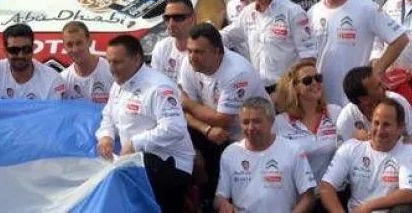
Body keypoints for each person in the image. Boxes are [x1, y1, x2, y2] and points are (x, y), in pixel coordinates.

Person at [97, 34, 195, 213]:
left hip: (169, 164)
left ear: (136, 59)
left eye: (117, 62)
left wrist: (135, 143)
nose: (112, 68)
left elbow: (175, 127)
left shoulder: (158, 87)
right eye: (109, 61)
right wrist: (106, 137)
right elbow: (108, 116)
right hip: (137, 163)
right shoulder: (119, 83)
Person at [178, 23, 267, 208]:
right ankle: (203, 200)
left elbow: (222, 119)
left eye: (199, 52)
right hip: (211, 130)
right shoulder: (189, 63)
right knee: (186, 149)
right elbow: (184, 111)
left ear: (217, 52)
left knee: (241, 190)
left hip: (245, 134)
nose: (192, 57)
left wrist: (188, 104)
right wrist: (206, 128)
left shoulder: (237, 72)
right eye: (190, 51)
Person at [309, 0, 408, 106]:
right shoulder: (313, 12)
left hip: (354, 101)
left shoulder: (366, 8)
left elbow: (400, 39)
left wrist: (376, 72)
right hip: (323, 100)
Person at [221, 0, 317, 91]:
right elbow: (227, 36)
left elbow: (309, 57)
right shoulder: (248, 13)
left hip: (289, 90)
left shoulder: (293, 12)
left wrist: (288, 88)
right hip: (258, 89)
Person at [321, 98, 412, 213]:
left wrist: (368, 206)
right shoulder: (352, 148)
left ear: (400, 127)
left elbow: (409, 193)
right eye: (376, 123)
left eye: (386, 125)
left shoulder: (409, 151)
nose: (380, 130)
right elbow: (326, 187)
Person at [215, 97, 317, 213]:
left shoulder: (293, 150)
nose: (250, 128)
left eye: (256, 121)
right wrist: (223, 204)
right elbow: (220, 196)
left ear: (271, 121)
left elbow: (308, 196)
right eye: (245, 122)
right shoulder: (230, 153)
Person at [337, 65, 412, 154]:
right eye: (378, 86)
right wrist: (356, 144)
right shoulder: (347, 117)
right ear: (364, 99)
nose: (385, 86)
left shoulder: (397, 101)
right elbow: (340, 155)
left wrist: (411, 147)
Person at [273, 59, 343, 182]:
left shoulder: (336, 113)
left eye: (318, 78)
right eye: (307, 80)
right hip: (297, 195)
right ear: (294, 87)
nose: (315, 83)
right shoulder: (279, 123)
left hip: (333, 193)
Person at [0, 23, 64, 100]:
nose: (21, 55)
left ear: (33, 48)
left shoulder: (52, 78)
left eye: (26, 49)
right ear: (5, 51)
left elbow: (53, 117)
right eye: (14, 50)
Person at [58, 21, 114, 103]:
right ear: (64, 47)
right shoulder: (63, 79)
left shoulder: (111, 71)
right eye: (69, 45)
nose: (75, 49)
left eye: (79, 43)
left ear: (89, 41)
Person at [150, 0, 197, 82]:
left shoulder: (204, 52)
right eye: (167, 18)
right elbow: (156, 84)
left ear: (193, 17)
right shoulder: (161, 48)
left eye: (178, 18)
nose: (171, 23)